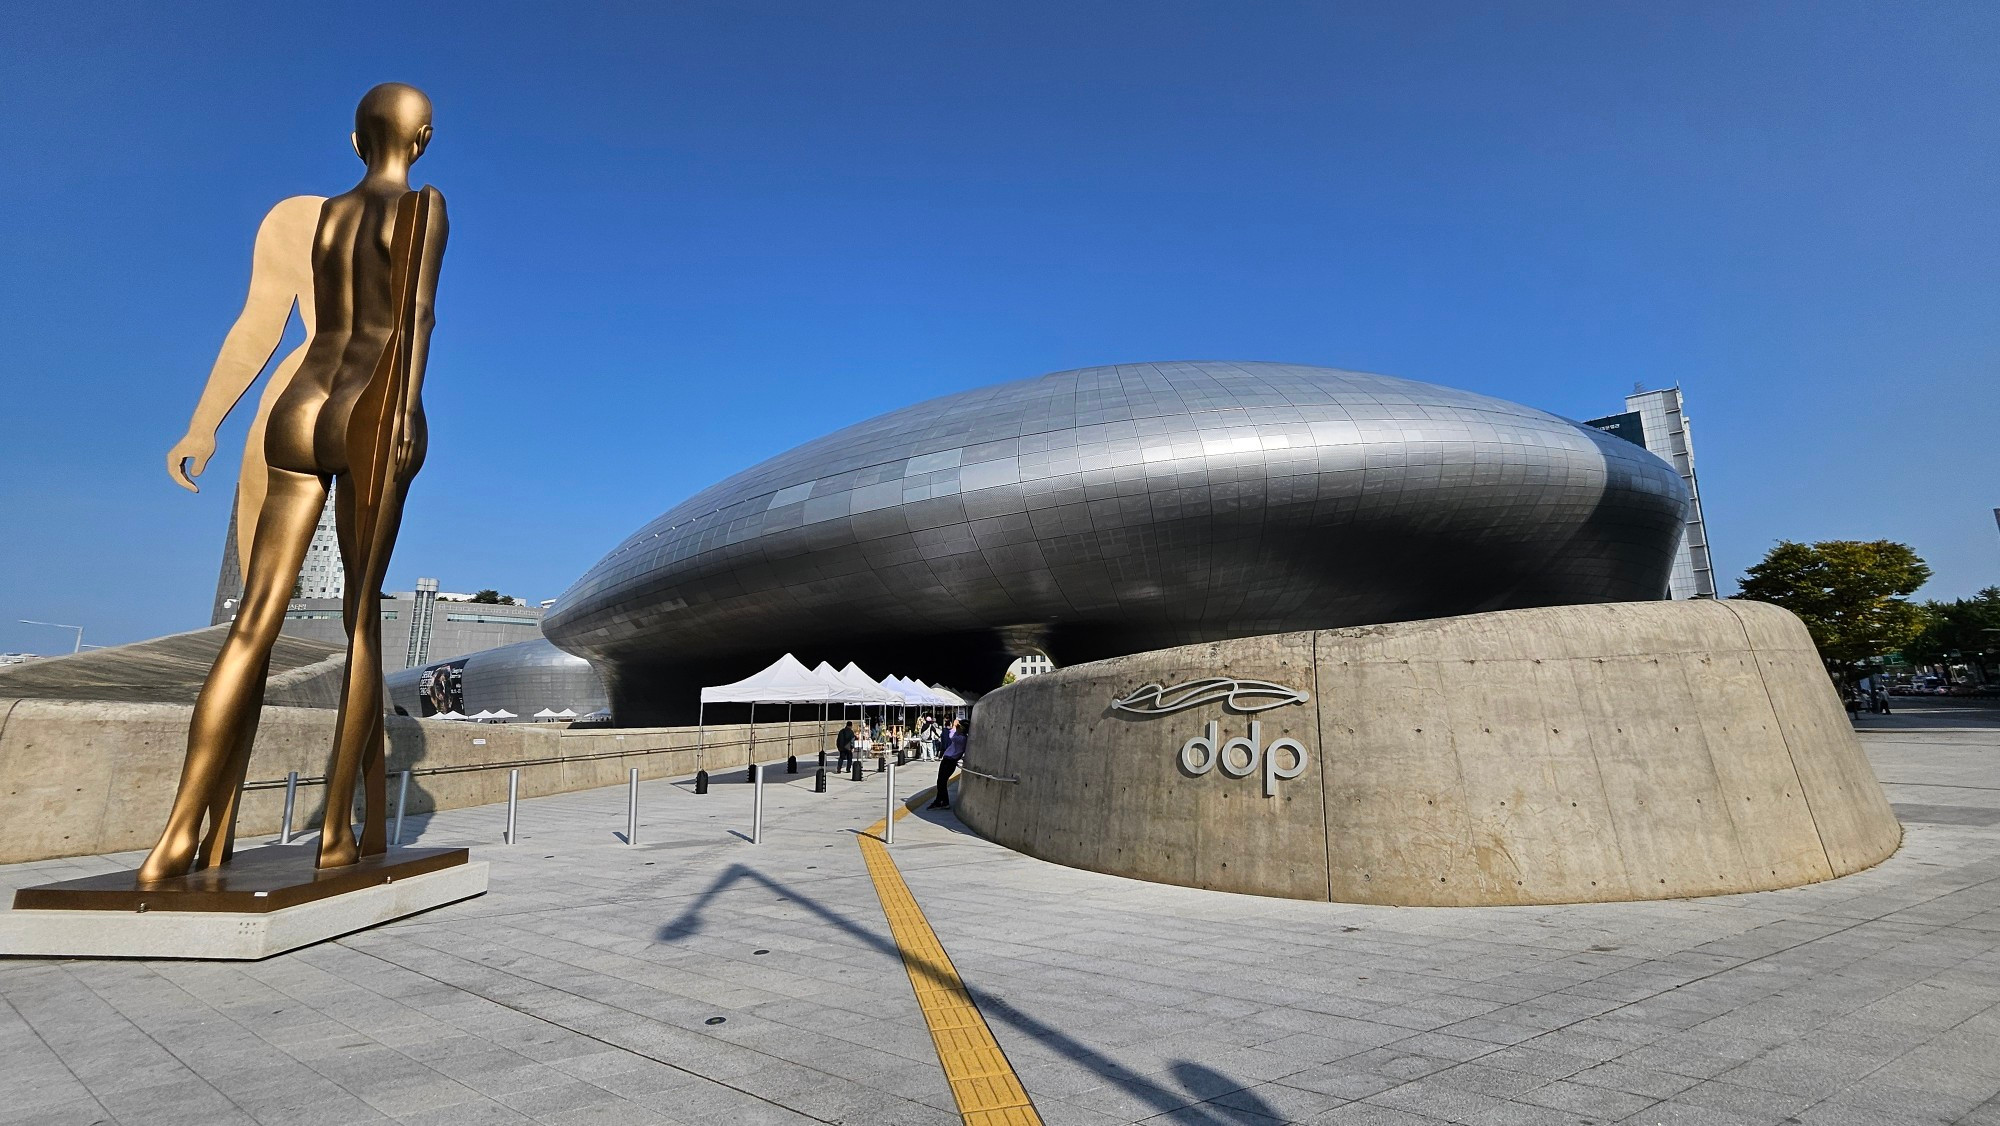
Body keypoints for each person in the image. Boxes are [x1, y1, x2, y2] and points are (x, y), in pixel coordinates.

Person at [929, 719, 967, 809]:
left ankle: (944, 801)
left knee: (942, 781)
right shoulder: (960, 736)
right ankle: (940, 800)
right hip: (947, 760)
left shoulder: (962, 738)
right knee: (940, 781)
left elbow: (951, 736)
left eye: (958, 727)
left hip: (950, 761)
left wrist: (954, 726)